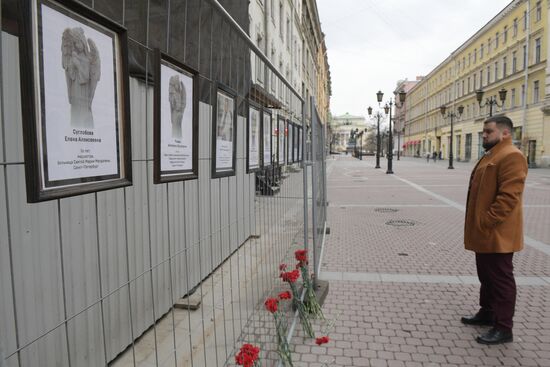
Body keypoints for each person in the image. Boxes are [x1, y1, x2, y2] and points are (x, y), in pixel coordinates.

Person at [462, 115, 528, 345]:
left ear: (505, 133)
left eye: (489, 131)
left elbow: (509, 196)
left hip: (498, 233)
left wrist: (487, 221)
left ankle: (503, 327)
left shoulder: (512, 156)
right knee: (486, 275)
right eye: (484, 131)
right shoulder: (492, 154)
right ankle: (487, 312)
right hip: (486, 232)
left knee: (501, 280)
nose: (484, 135)